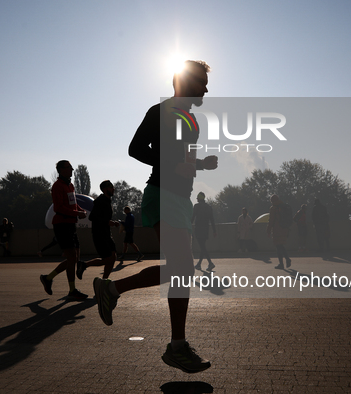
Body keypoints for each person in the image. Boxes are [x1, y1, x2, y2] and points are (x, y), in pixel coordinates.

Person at [93, 60, 216, 373]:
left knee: (181, 270)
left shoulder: (192, 120)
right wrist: (170, 166)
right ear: (184, 82)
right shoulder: (159, 112)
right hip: (160, 194)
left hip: (181, 199)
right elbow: (136, 149)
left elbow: (183, 160)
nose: (205, 88)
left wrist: (201, 165)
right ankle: (176, 346)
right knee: (183, 268)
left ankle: (112, 290)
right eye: (201, 81)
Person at [39, 160, 88, 300]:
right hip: (62, 225)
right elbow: (58, 208)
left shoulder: (70, 185)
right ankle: (71, 290)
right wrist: (77, 214)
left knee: (75, 258)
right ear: (61, 170)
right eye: (69, 167)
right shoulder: (57, 186)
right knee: (72, 257)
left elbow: (74, 204)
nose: (72, 169)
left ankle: (48, 278)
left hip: (71, 225)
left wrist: (80, 210)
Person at [77, 180, 120, 280]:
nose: (113, 189)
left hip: (106, 233)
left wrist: (111, 222)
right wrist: (107, 222)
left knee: (113, 257)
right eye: (110, 187)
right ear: (105, 189)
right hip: (99, 234)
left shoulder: (107, 200)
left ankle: (104, 281)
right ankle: (84, 265)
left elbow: (103, 217)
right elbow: (93, 217)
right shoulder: (100, 201)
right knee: (108, 259)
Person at [192, 191, 216, 271]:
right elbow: (212, 219)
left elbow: (192, 218)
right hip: (206, 229)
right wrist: (214, 230)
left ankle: (210, 263)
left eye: (197, 198)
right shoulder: (209, 207)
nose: (197, 199)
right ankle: (199, 264)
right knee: (203, 246)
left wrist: (188, 226)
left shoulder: (196, 206)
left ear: (199, 198)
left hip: (198, 229)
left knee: (202, 247)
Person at [267, 195, 292, 269]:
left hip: (277, 230)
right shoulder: (283, 206)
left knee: (278, 246)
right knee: (281, 245)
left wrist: (268, 230)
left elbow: (271, 221)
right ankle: (286, 260)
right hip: (285, 229)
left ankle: (283, 263)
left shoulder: (273, 208)